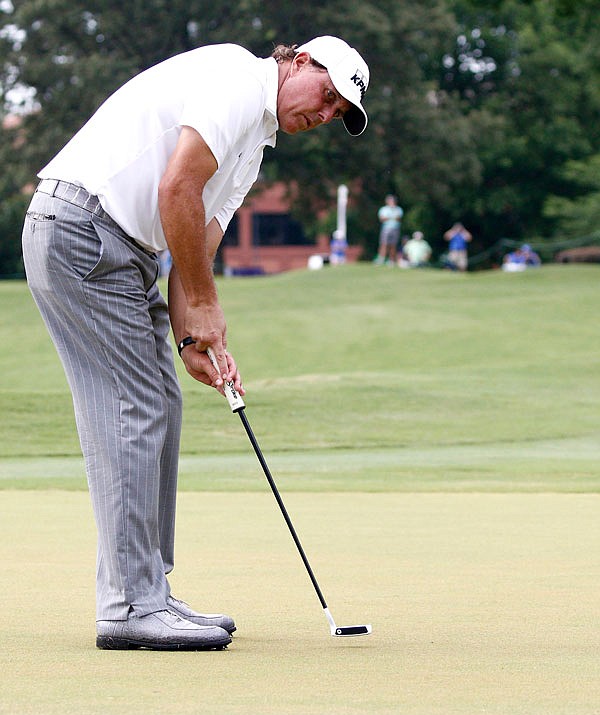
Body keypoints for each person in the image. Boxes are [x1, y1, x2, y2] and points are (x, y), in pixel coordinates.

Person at [21, 36, 370, 652]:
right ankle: (132, 604)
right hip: (85, 230)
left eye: (339, 113)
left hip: (119, 249)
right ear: (300, 62)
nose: (325, 113)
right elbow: (175, 190)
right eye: (328, 94)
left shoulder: (254, 146)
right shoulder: (237, 78)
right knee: (136, 407)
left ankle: (147, 591)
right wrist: (204, 309)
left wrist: (193, 336)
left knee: (160, 398)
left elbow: (196, 249)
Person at [374, 194, 403, 265]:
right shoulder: (384, 209)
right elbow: (382, 219)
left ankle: (391, 260)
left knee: (393, 245)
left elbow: (398, 218)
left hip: (395, 228)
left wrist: (389, 217)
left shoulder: (398, 209)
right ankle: (381, 259)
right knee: (384, 244)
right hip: (386, 228)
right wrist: (392, 217)